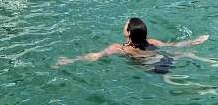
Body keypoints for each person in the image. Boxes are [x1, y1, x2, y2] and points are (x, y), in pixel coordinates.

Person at [56, 18, 208, 71]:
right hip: (166, 59)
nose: (124, 25)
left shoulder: (118, 48)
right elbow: (174, 45)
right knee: (188, 54)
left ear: (128, 32)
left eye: (125, 25)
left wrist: (70, 60)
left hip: (152, 67)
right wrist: (194, 41)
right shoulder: (151, 41)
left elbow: (95, 56)